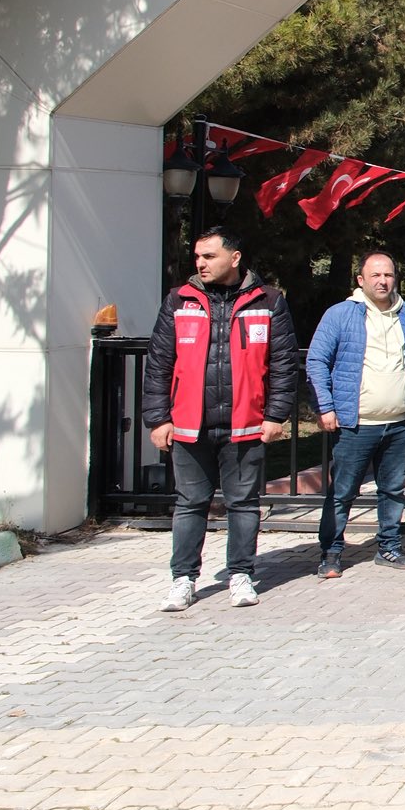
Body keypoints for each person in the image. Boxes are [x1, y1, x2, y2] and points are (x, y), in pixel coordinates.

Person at [144, 227, 299, 612]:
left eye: (209, 256)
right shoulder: (179, 300)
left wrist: (275, 414)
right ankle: (183, 580)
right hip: (189, 424)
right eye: (198, 256)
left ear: (235, 258)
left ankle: (241, 575)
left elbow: (283, 364)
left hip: (246, 424)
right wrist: (158, 419)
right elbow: (159, 363)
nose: (200, 263)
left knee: (243, 504)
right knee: (190, 503)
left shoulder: (269, 301)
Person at [305, 249, 405, 577]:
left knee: (393, 489)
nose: (383, 281)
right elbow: (316, 360)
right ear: (361, 280)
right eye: (375, 275)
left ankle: (389, 547)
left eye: (388, 275)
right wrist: (325, 406)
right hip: (355, 424)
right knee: (343, 491)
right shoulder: (340, 314)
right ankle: (331, 552)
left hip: (398, 422)